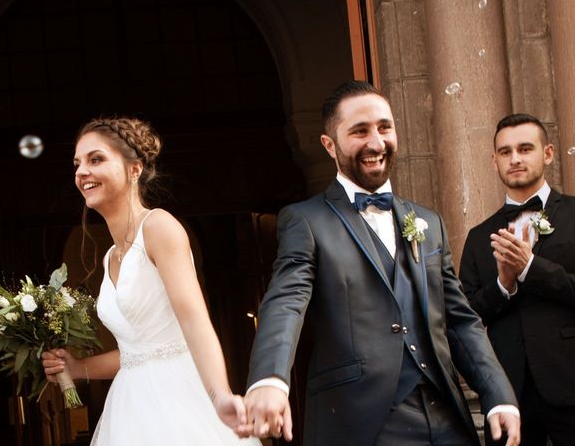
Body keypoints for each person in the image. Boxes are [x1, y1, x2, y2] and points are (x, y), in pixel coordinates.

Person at [242, 81, 521, 446]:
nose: (376, 142)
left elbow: (459, 320)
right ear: (330, 145)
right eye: (360, 131)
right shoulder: (305, 221)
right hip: (360, 422)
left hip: (446, 418)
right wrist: (270, 379)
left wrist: (498, 394)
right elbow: (286, 300)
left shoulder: (428, 222)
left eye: (384, 127)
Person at [42, 117, 259, 445]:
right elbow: (137, 352)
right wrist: (76, 367)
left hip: (179, 402)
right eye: (77, 163)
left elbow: (195, 323)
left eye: (96, 159)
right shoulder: (111, 256)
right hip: (129, 409)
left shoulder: (158, 227)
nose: (81, 171)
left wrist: (219, 396)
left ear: (134, 169)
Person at [460, 113, 575, 446]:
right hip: (509, 393)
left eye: (525, 149)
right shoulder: (479, 236)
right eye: (505, 152)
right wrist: (502, 286)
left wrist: (530, 268)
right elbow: (464, 314)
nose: (515, 159)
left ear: (548, 153)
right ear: (494, 161)